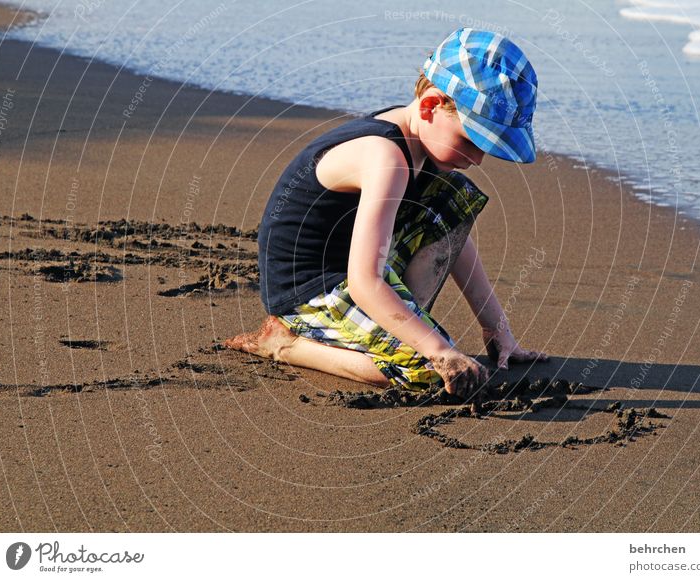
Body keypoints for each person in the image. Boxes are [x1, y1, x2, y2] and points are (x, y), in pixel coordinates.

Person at [224, 27, 548, 397]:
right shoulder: (386, 157)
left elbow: (454, 239)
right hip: (307, 287)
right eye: (471, 141)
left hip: (354, 267)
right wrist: (438, 351)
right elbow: (365, 282)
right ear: (430, 105)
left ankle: (396, 326)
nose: (477, 158)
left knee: (453, 198)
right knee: (426, 371)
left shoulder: (421, 143)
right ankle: (284, 342)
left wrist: (497, 328)